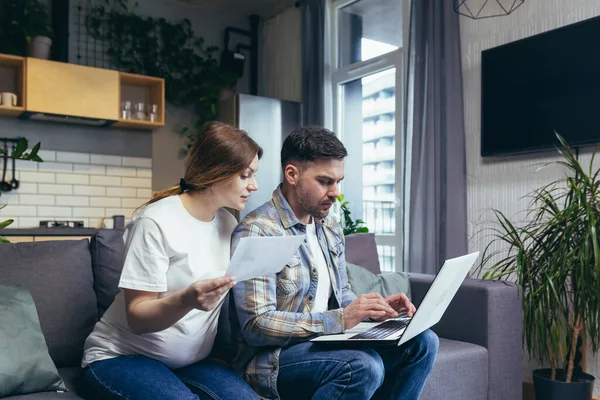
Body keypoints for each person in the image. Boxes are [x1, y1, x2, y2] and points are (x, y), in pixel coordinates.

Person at [230, 125, 439, 400]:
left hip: (325, 343)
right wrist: (340, 319)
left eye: (339, 181)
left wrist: (372, 310)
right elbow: (257, 325)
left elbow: (341, 296)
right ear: (292, 174)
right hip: (273, 360)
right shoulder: (260, 230)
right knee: (363, 366)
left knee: (423, 342)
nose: (336, 192)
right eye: (325, 181)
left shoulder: (328, 227)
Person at [80, 121, 262, 400]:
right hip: (120, 356)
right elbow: (138, 316)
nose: (254, 185)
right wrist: (187, 299)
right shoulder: (155, 221)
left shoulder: (227, 223)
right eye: (245, 175)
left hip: (189, 364)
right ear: (217, 172)